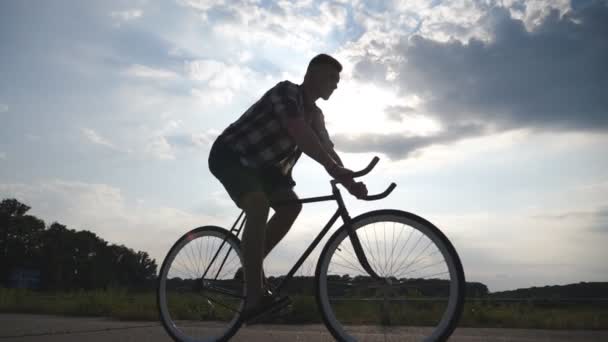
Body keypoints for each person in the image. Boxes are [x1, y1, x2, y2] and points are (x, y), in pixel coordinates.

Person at [208, 53, 368, 322]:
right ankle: (254, 297)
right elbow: (299, 132)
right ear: (312, 74)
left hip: (267, 170)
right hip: (233, 155)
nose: (336, 85)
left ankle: (248, 272)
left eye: (337, 80)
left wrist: (350, 182)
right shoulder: (287, 92)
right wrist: (333, 169)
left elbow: (326, 148)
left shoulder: (316, 114)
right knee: (258, 206)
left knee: (292, 207)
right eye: (331, 78)